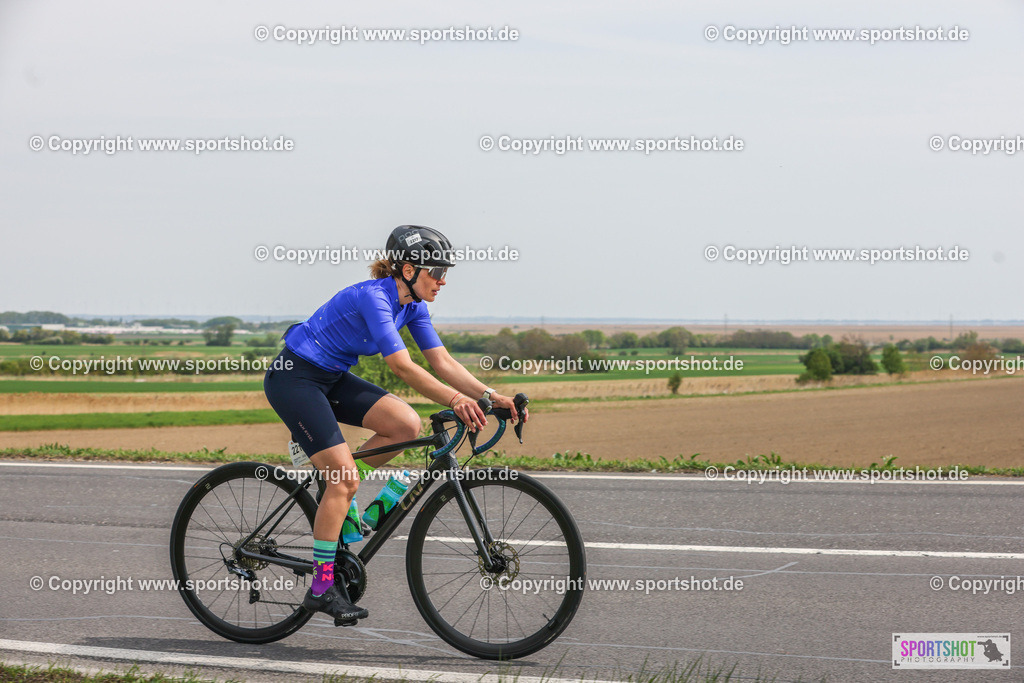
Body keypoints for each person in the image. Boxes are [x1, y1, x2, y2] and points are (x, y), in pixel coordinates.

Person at [263, 225, 528, 625]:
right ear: (407, 269)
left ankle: (338, 486)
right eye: (435, 271)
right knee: (343, 478)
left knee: (405, 424)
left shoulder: (413, 305)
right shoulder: (375, 297)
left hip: (331, 377)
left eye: (444, 272)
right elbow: (402, 366)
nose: (442, 281)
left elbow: (442, 362)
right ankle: (321, 586)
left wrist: (491, 397)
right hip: (294, 378)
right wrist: (457, 401)